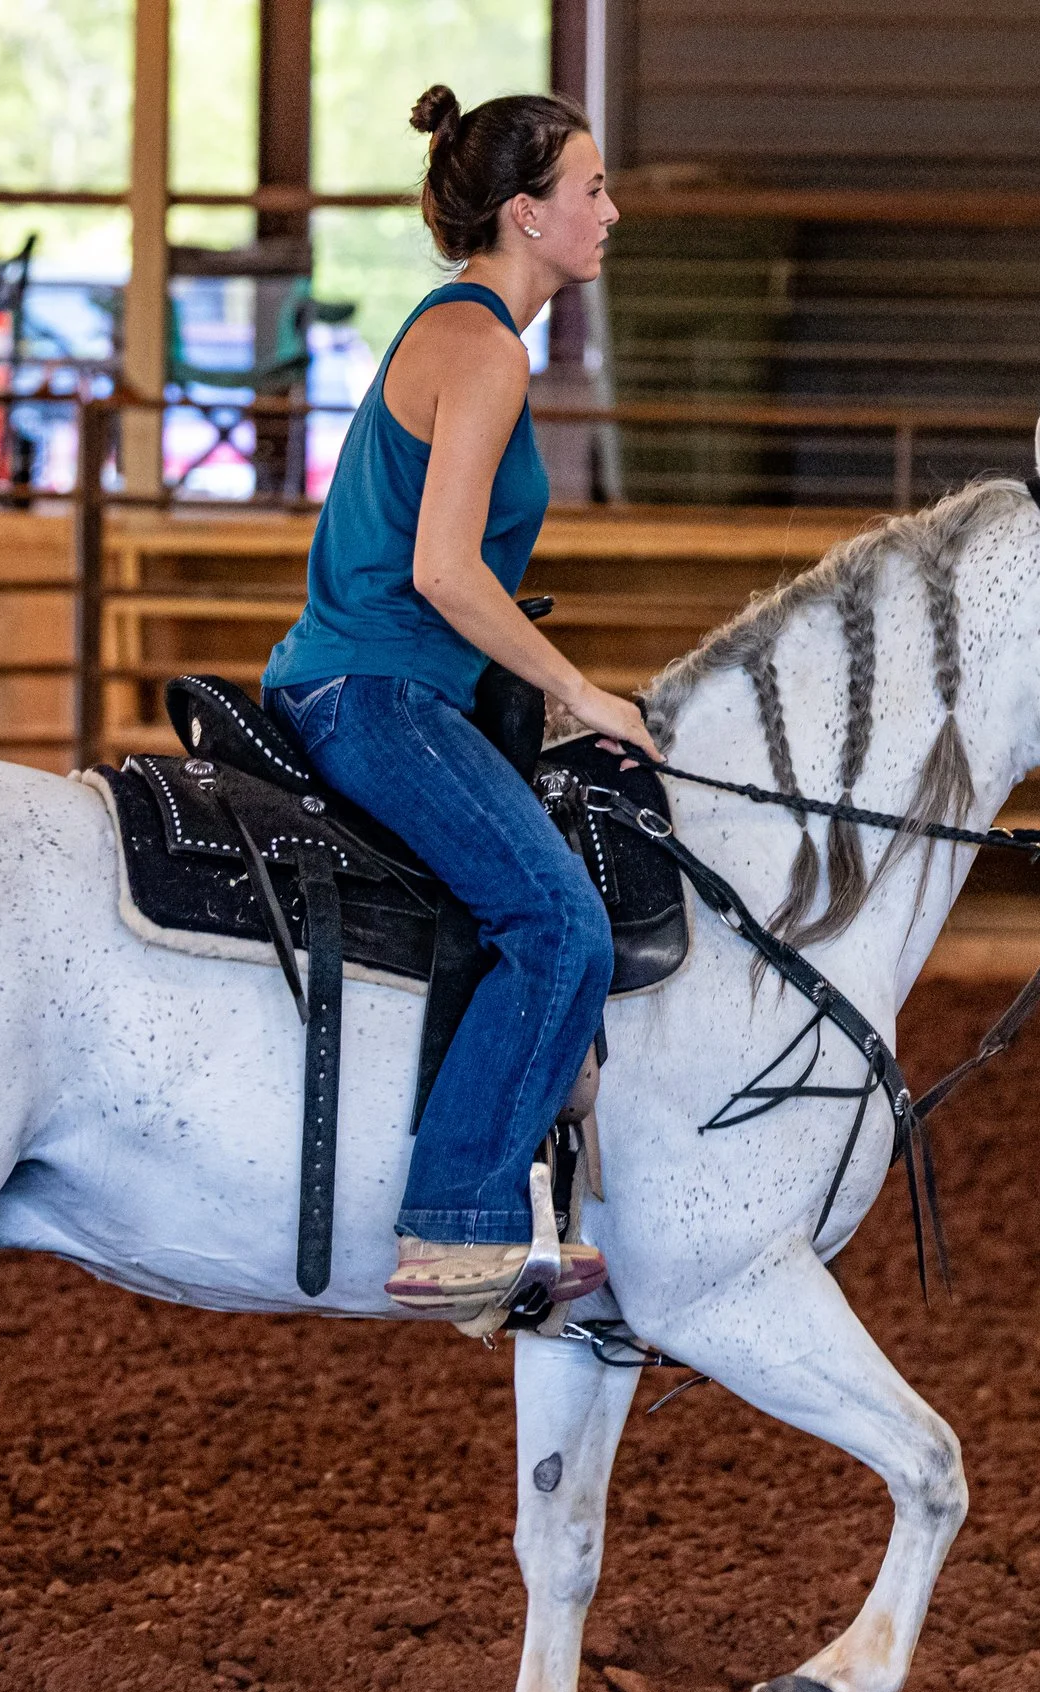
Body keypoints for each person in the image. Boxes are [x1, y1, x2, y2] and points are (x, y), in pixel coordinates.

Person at [259, 86, 643, 1329]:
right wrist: (576, 686)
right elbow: (441, 570)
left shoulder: (466, 334)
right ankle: (459, 1223)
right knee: (561, 927)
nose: (610, 210)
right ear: (526, 214)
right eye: (590, 190)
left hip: (385, 680)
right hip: (378, 690)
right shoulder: (481, 350)